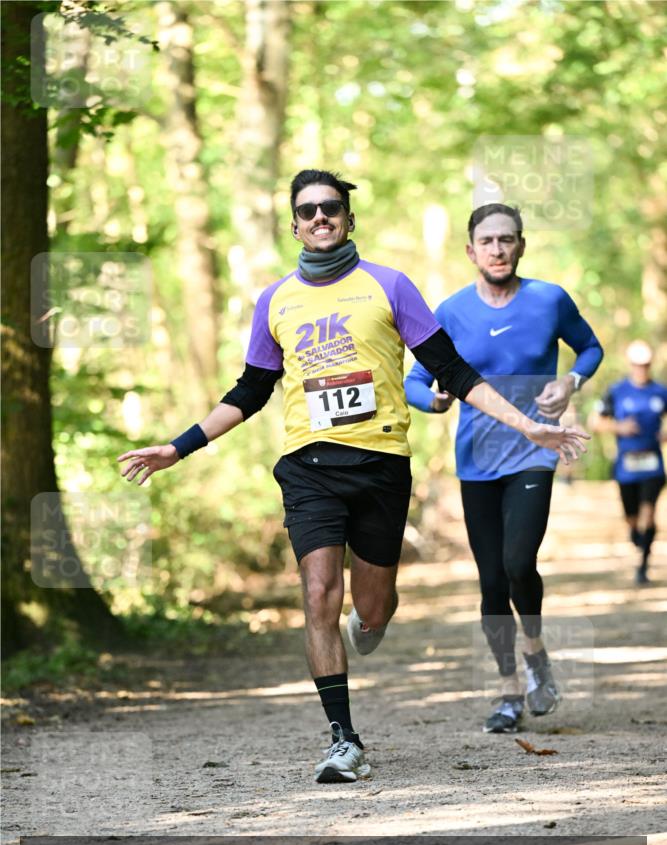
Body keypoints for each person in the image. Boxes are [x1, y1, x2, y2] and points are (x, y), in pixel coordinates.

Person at [118, 176, 589, 781]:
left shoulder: (389, 286)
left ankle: (373, 616)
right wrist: (177, 447)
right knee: (319, 594)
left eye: (330, 207)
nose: (320, 216)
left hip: (380, 466)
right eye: (307, 210)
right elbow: (252, 390)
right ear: (295, 225)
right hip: (308, 467)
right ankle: (344, 739)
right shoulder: (275, 300)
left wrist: (531, 428)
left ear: (348, 217)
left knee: (372, 610)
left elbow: (452, 371)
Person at [405, 203, 603, 735]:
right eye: (487, 241)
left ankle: (536, 652)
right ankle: (509, 691)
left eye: (506, 239)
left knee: (518, 562)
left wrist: (570, 382)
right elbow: (414, 380)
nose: (497, 249)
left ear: (521, 246)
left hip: (535, 452)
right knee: (491, 580)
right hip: (477, 460)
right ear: (471, 251)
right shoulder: (450, 311)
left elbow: (590, 348)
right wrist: (434, 401)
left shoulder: (549, 299)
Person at [591, 339, 666, 585]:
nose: (641, 369)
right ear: (630, 364)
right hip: (627, 465)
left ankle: (643, 565)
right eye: (637, 364)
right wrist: (619, 427)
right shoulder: (617, 391)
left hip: (652, 464)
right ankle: (635, 533)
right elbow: (595, 421)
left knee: (649, 512)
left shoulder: (660, 392)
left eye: (645, 364)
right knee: (632, 516)